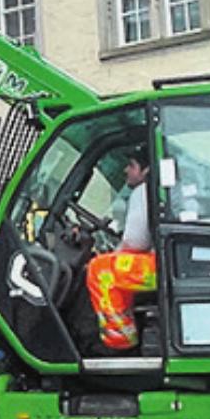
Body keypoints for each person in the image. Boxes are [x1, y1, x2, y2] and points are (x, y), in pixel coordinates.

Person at [86, 145, 157, 351]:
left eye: (132, 165)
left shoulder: (144, 191)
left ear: (146, 170)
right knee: (117, 268)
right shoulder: (158, 191)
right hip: (170, 265)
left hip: (159, 269)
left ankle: (119, 341)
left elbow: (135, 242)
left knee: (101, 270)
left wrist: (111, 254)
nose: (126, 170)